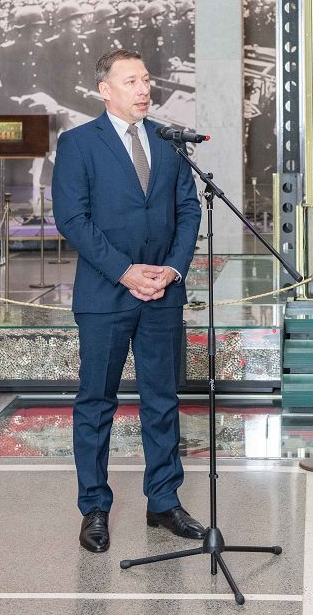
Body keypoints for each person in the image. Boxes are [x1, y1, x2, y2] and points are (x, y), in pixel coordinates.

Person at [52, 48, 204, 554]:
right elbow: (72, 219)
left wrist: (172, 269)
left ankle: (163, 501)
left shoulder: (167, 140)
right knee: (96, 402)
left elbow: (188, 210)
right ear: (105, 90)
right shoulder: (78, 144)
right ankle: (94, 507)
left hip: (163, 292)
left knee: (162, 401)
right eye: (132, 81)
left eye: (146, 80)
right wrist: (125, 271)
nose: (144, 89)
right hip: (105, 294)